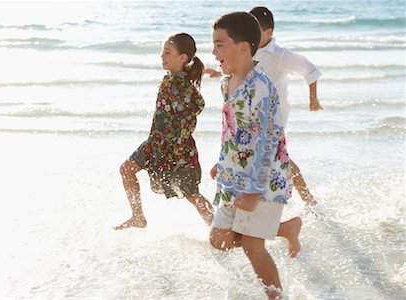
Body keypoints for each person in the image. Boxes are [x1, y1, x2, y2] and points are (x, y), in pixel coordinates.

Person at [209, 12, 295, 299]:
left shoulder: (261, 88)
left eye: (220, 44)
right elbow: (233, 129)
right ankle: (284, 228)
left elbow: (268, 143)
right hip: (235, 175)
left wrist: (255, 191)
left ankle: (277, 297)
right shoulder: (226, 83)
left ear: (242, 47)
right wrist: (222, 163)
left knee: (252, 246)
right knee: (219, 239)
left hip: (265, 179)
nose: (213, 51)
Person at [206, 6, 322, 205]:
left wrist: (313, 99)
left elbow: (310, 71)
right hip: (248, 113)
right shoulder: (243, 54)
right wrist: (219, 73)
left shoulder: (280, 55)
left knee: (276, 155)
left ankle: (304, 198)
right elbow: (234, 70)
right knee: (264, 155)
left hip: (271, 114)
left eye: (256, 30)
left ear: (268, 33)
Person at [114, 33, 214, 230]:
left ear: (182, 58)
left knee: (192, 194)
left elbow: (195, 106)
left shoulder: (180, 86)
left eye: (167, 52)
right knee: (126, 170)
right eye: (162, 52)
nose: (162, 56)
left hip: (176, 150)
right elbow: (195, 101)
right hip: (156, 144)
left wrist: (174, 144)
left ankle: (218, 226)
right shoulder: (173, 80)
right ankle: (137, 217)